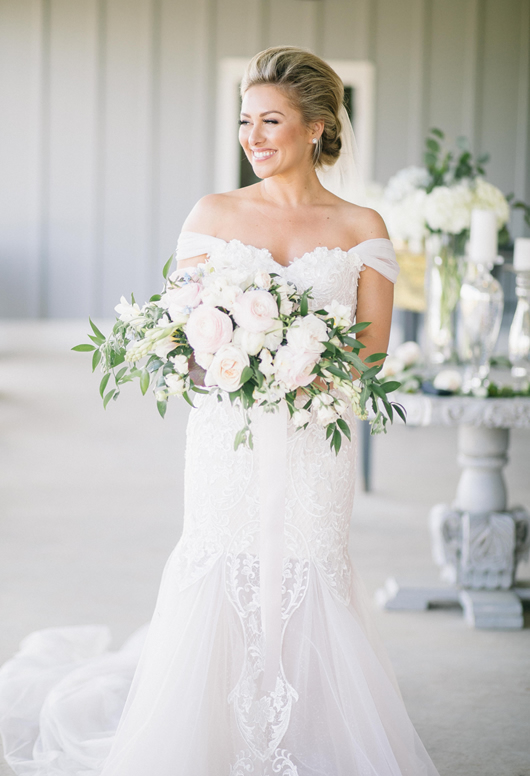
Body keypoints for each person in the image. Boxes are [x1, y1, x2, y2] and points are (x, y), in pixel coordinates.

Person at [0, 47, 440, 776]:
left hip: (312, 441)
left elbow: (370, 357)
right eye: (245, 120)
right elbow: (179, 333)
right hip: (226, 438)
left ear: (319, 128)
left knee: (313, 567)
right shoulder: (213, 214)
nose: (254, 136)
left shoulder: (362, 227)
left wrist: (301, 369)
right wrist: (241, 362)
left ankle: (308, 732)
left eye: (272, 121)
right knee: (219, 565)